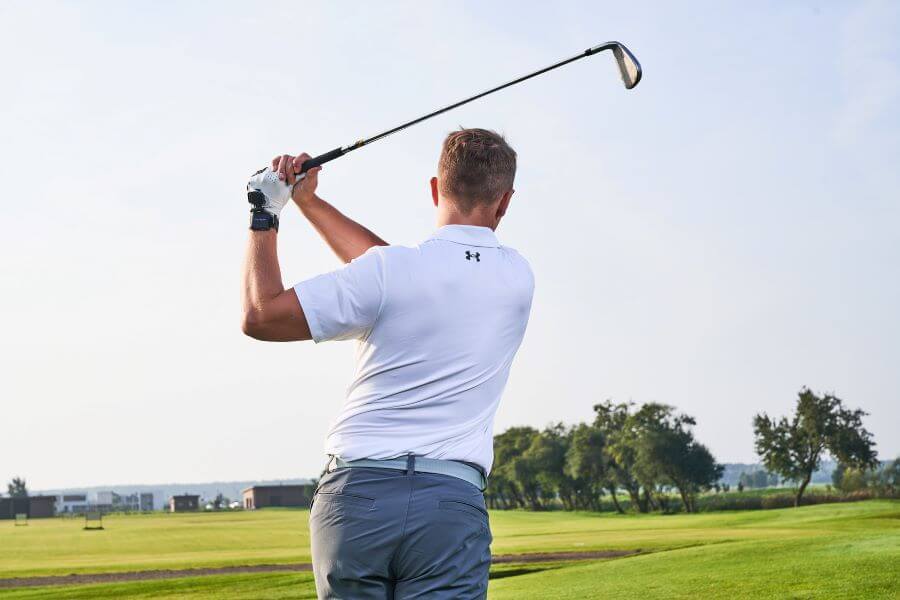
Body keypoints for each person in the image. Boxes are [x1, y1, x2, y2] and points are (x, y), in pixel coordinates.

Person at [241, 128, 534, 599]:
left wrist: (266, 211)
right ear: (505, 202)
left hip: (356, 498)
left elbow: (262, 315)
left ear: (435, 188)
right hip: (449, 505)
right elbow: (396, 270)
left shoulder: (390, 272)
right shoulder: (517, 277)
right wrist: (310, 203)